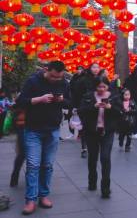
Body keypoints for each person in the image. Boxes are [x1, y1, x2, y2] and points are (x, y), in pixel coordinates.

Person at [16, 61, 71, 215]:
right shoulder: (33, 81)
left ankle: (44, 195)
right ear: (46, 70)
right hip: (33, 130)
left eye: (59, 77)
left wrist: (61, 100)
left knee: (47, 165)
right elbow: (20, 101)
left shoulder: (64, 83)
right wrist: (38, 99)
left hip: (53, 129)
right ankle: (31, 200)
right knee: (33, 165)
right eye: (53, 76)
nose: (55, 80)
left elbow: (70, 102)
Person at [78, 77, 121, 199]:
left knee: (105, 158)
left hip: (107, 132)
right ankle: (92, 182)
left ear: (108, 86)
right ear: (95, 87)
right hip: (92, 132)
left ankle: (105, 188)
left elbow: (120, 112)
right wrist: (94, 107)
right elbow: (81, 111)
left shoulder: (114, 97)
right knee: (92, 158)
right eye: (99, 87)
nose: (101, 89)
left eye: (104, 87)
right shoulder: (88, 96)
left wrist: (110, 108)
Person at [69, 63, 102, 158]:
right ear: (90, 68)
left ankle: (95, 145)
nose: (96, 69)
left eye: (97, 67)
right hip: (85, 106)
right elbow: (76, 94)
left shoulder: (101, 79)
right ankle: (84, 148)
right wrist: (76, 107)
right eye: (94, 67)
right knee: (85, 127)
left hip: (99, 106)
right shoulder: (83, 80)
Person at [10, 96, 26, 188]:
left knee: (28, 155)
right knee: (22, 153)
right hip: (23, 127)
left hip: (33, 127)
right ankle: (14, 176)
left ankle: (30, 177)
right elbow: (16, 107)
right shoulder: (24, 95)